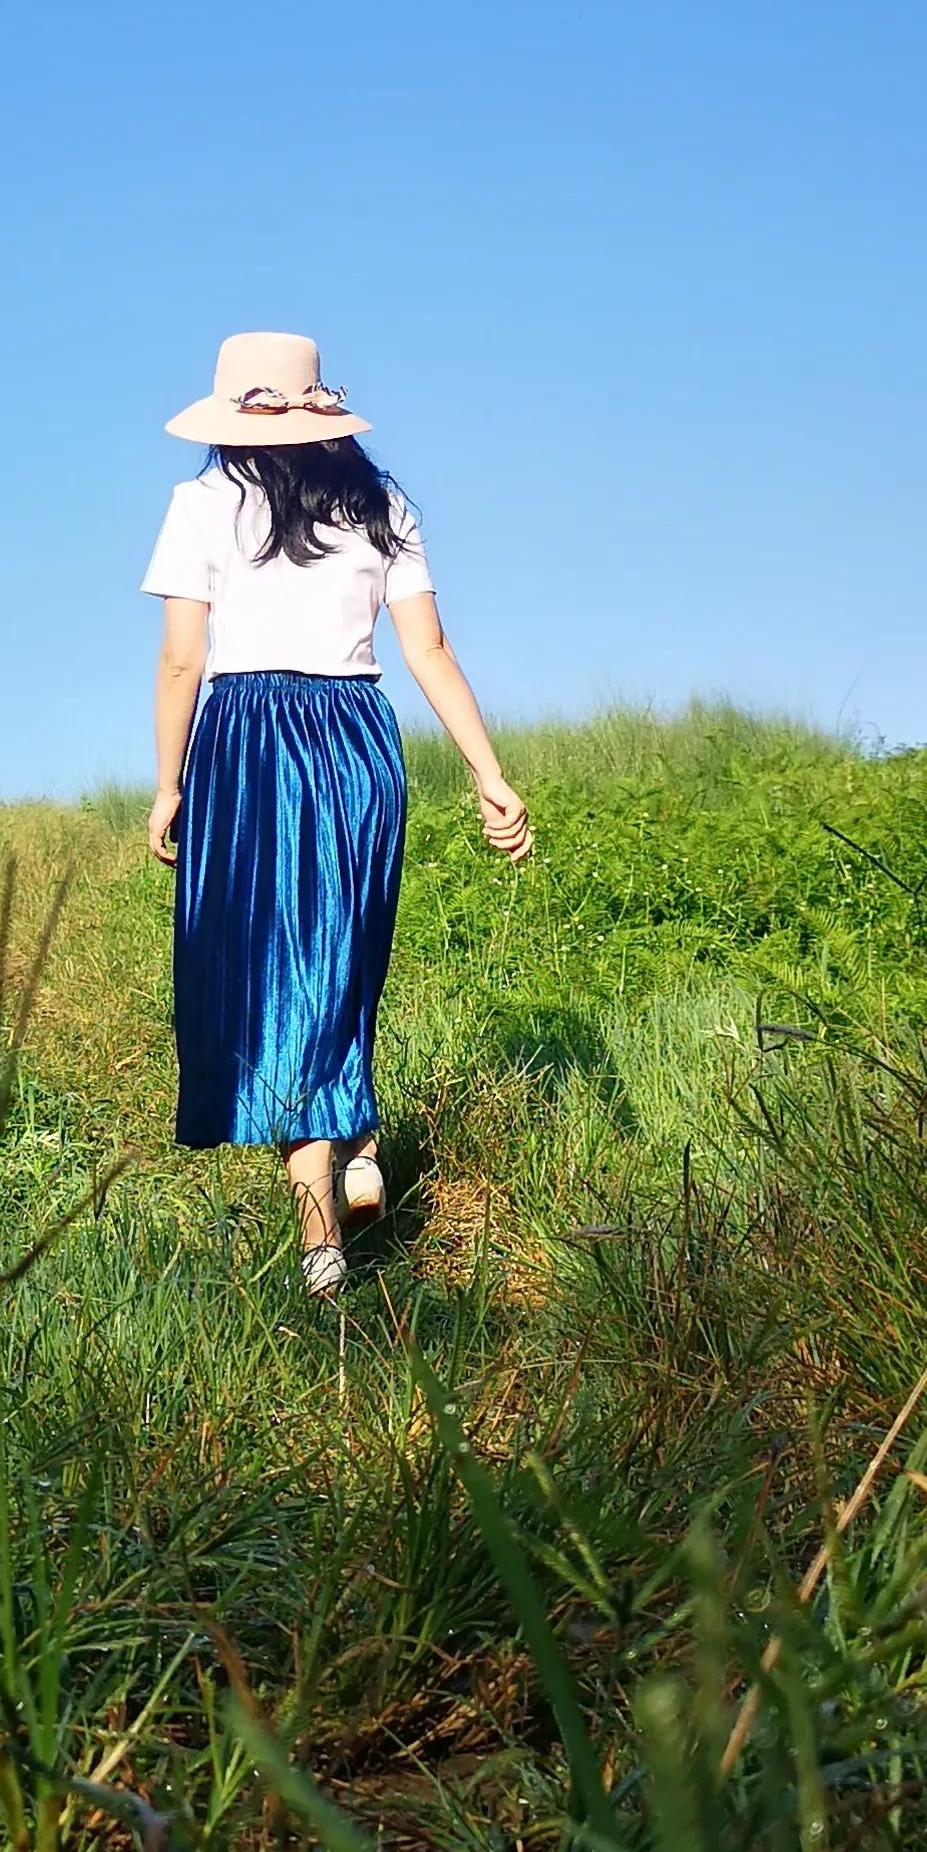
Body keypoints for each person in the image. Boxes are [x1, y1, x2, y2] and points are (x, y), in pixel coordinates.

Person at [142, 330, 530, 1296]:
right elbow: (429, 649)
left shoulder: (199, 504)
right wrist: (489, 773)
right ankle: (352, 1139)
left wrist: (168, 782)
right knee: (340, 960)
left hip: (247, 741)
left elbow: (182, 661)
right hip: (357, 735)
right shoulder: (384, 504)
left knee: (274, 973)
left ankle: (322, 1249)